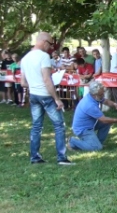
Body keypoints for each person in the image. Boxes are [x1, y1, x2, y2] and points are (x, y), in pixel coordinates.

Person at [20, 32, 73, 165]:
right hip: (46, 95)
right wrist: (57, 98)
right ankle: (61, 157)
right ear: (44, 42)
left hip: (33, 95)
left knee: (36, 126)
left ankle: (35, 157)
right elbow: (47, 79)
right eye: (50, 44)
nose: (50, 48)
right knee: (59, 126)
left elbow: (23, 83)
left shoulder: (25, 58)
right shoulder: (44, 57)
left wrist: (34, 84)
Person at [68, 81, 117, 151]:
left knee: (106, 123)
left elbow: (106, 101)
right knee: (96, 148)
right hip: (83, 130)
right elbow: (103, 119)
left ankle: (98, 143)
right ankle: (72, 142)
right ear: (95, 95)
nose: (103, 95)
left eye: (103, 93)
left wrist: (116, 104)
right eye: (101, 94)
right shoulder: (89, 105)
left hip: (90, 124)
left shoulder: (95, 97)